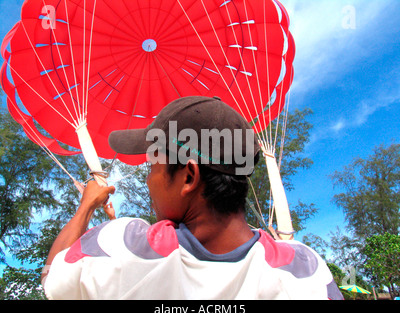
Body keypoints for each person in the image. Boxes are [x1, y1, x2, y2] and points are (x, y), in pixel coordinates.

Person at [41, 96, 343, 300]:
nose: (149, 181)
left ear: (188, 176)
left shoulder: (120, 249)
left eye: (152, 166)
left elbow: (53, 277)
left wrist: (86, 207)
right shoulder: (305, 271)